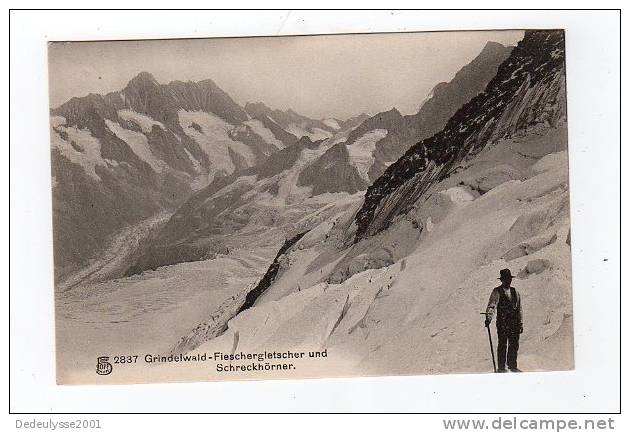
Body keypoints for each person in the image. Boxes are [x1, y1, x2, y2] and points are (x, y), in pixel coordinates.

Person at [485, 269, 523, 372]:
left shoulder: (515, 292)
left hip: (514, 323)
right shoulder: (496, 291)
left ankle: (512, 366)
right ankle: (501, 368)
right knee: (502, 344)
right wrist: (488, 318)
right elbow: (492, 306)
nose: (508, 281)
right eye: (506, 279)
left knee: (514, 344)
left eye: (509, 279)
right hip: (502, 323)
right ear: (502, 280)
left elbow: (519, 309)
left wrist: (520, 323)